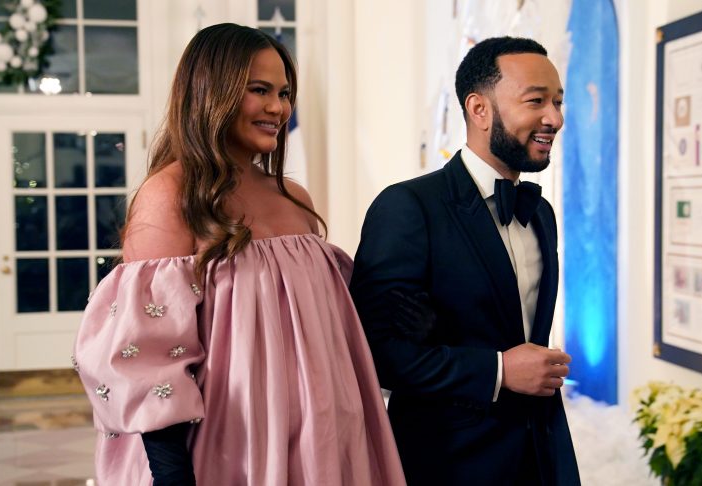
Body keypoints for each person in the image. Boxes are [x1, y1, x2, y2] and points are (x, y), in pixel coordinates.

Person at [73, 23, 405, 486]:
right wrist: (172, 473)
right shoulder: (171, 196)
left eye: (285, 92)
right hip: (230, 449)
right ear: (213, 92)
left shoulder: (296, 198)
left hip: (324, 441)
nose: (278, 107)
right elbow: (145, 350)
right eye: (259, 90)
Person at [350, 36, 580, 485]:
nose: (554, 118)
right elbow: (376, 352)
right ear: (479, 109)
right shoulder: (407, 207)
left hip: (541, 455)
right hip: (448, 464)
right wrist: (498, 370)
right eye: (536, 101)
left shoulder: (542, 214)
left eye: (557, 101)